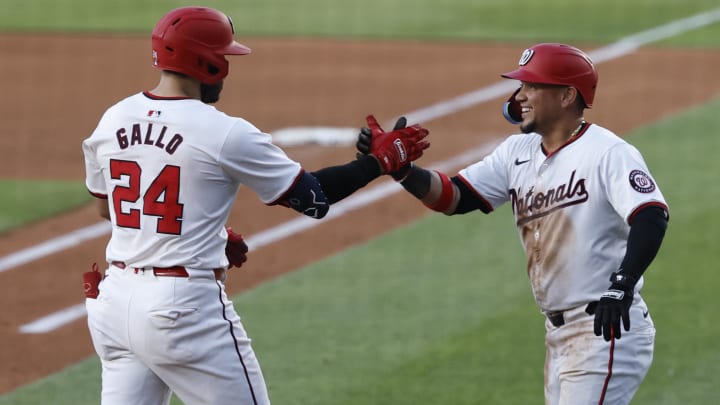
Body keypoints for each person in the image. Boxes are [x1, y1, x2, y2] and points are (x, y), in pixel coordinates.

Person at [81, 6, 429, 405]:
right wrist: (378, 162)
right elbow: (313, 198)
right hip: (180, 312)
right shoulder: (224, 132)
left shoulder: (113, 118)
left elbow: (110, 210)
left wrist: (200, 230)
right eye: (223, 55)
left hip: (114, 304)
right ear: (205, 61)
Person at [357, 43, 668, 404]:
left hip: (604, 327)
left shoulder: (608, 152)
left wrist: (623, 283)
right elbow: (454, 197)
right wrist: (402, 171)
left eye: (532, 86)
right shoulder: (515, 153)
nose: (521, 96)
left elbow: (650, 214)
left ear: (567, 95)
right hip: (559, 336)